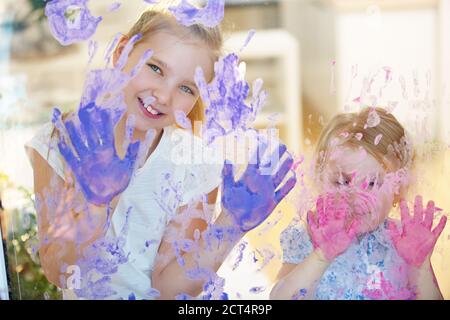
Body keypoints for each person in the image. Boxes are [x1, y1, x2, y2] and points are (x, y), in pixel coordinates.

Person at [25, 5, 296, 300]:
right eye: (155, 68)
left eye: (187, 89)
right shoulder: (61, 142)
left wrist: (230, 225)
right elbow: (57, 270)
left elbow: (169, 291)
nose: (164, 96)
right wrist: (95, 202)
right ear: (121, 52)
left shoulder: (194, 163)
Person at [270, 107, 447, 300]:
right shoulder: (308, 237)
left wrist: (419, 269)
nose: (355, 197)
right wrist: (320, 258)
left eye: (372, 183)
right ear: (320, 179)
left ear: (398, 187)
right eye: (342, 181)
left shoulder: (405, 244)